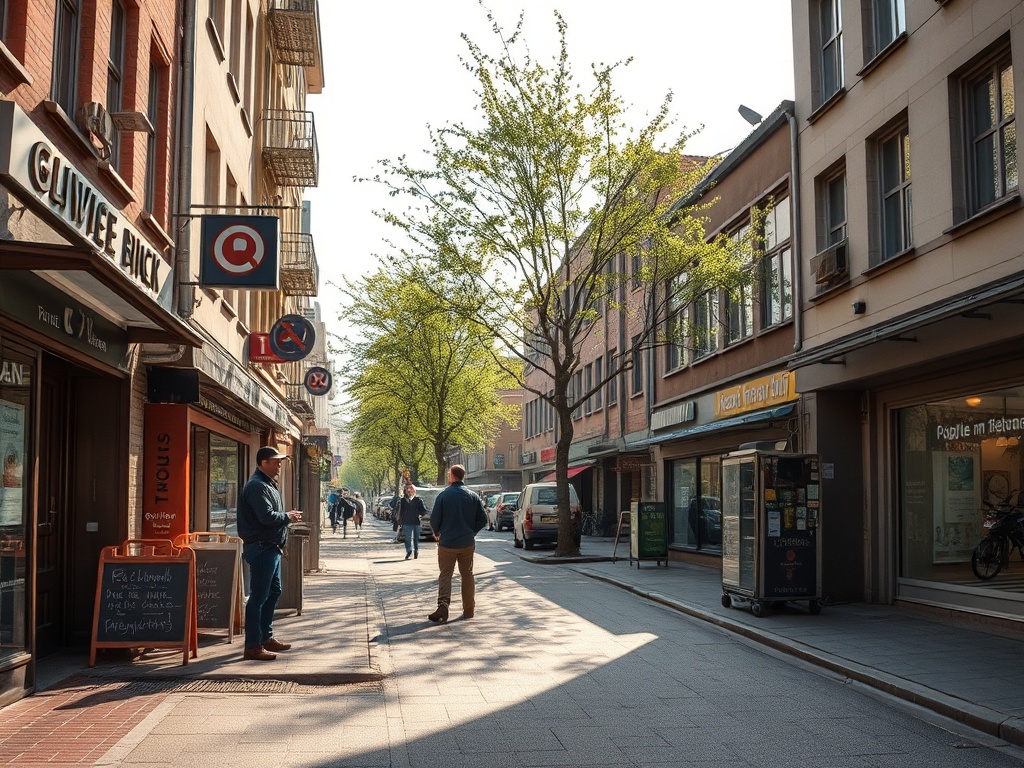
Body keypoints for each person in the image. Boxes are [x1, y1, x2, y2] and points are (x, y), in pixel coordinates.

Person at [237, 446, 302, 661]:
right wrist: (287, 516)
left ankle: (266, 637)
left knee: (274, 592)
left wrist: (285, 517)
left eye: (280, 461)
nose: (279, 465)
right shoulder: (257, 486)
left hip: (271, 547)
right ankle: (253, 645)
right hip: (262, 548)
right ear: (263, 463)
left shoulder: (267, 484)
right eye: (275, 461)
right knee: (259, 597)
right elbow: (266, 517)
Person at [427, 464, 488, 623]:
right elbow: (483, 519)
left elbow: (434, 519)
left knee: (446, 575)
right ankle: (469, 609)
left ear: (453, 476)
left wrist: (438, 532)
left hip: (447, 543)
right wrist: (471, 531)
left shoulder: (443, 496)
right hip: (467, 543)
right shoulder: (473, 496)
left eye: (449, 474)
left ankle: (443, 607)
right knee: (467, 575)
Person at [396, 484, 428, 560]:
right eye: (408, 490)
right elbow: (400, 511)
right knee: (408, 538)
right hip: (407, 522)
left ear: (414, 491)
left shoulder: (418, 500)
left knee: (416, 538)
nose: (409, 492)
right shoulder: (403, 500)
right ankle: (409, 551)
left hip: (416, 522)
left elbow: (424, 510)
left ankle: (416, 550)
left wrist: (420, 515)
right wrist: (400, 520)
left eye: (411, 490)